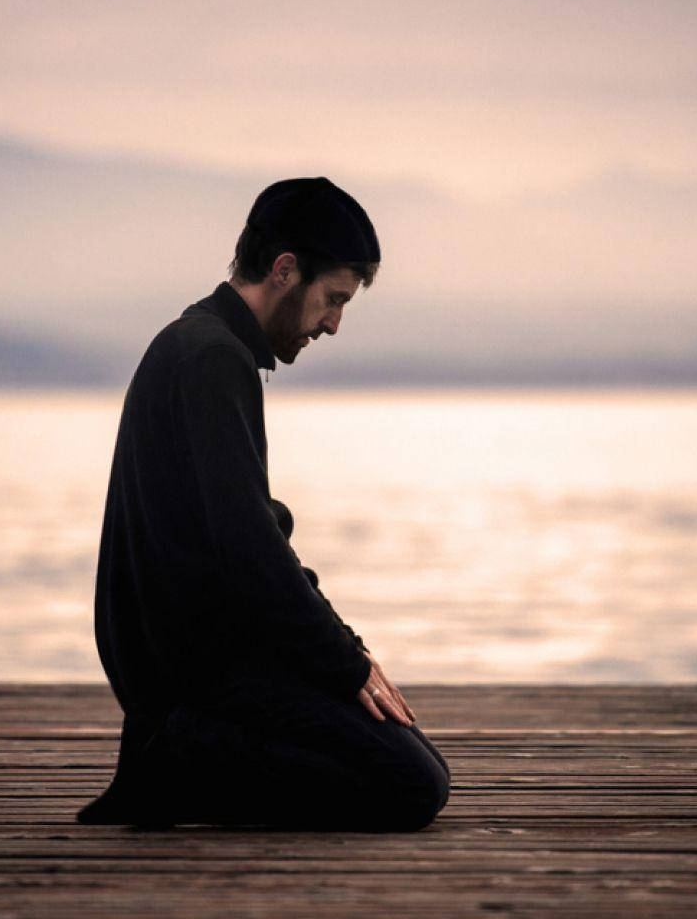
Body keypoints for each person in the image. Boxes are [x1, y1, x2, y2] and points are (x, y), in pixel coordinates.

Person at [78, 177, 450, 831]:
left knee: (421, 764)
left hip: (207, 661)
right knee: (412, 784)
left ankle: (177, 756)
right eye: (332, 299)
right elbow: (249, 549)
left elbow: (256, 541)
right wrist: (343, 664)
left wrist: (348, 654)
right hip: (194, 678)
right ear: (284, 270)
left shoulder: (204, 346)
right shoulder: (209, 359)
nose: (333, 324)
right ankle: (176, 761)